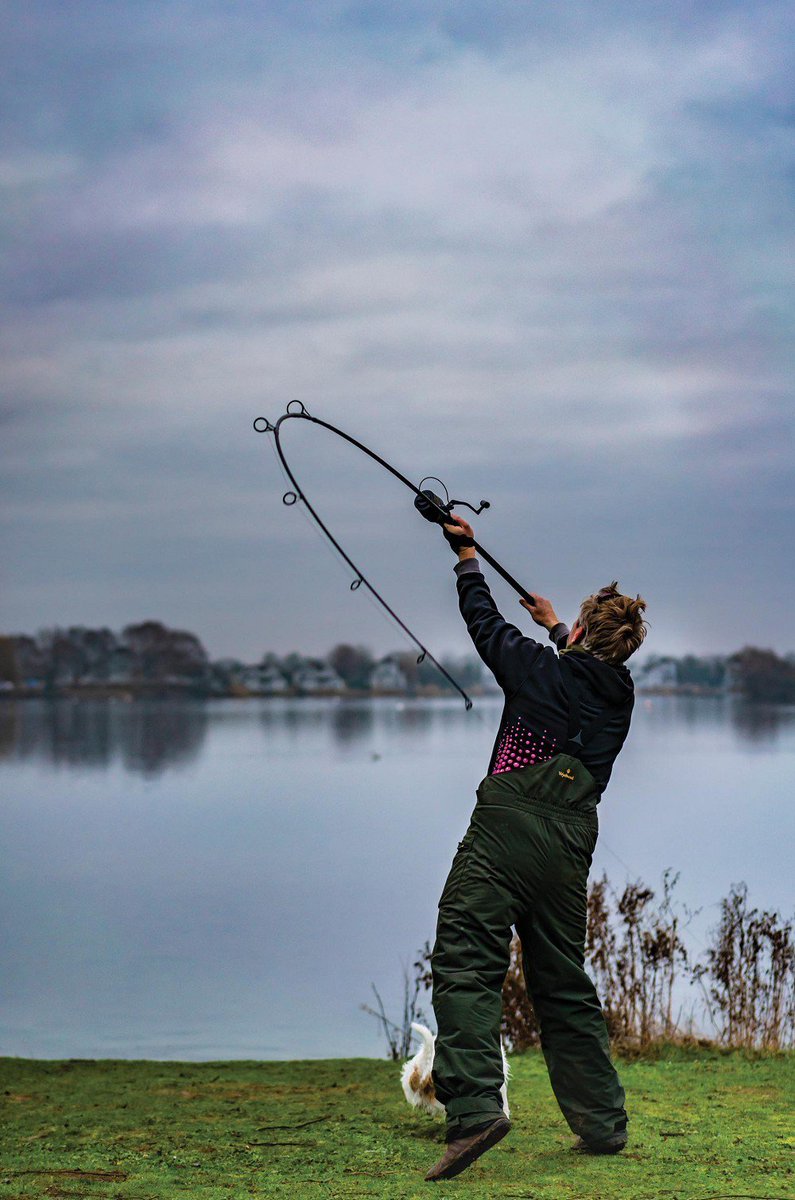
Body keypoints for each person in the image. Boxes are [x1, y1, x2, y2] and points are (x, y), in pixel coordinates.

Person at [423, 512, 648, 1183]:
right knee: (561, 981)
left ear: (581, 633)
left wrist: (466, 557)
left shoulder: (533, 669)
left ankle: (474, 1112)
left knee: (465, 960)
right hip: (569, 844)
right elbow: (583, 673)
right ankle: (601, 1121)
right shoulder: (620, 696)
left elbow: (484, 623)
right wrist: (557, 627)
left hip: (504, 832)